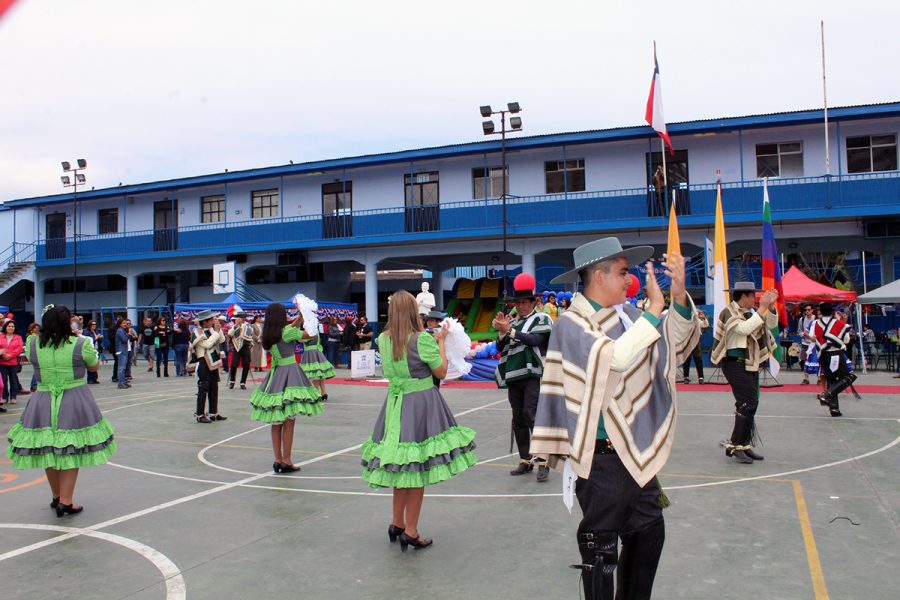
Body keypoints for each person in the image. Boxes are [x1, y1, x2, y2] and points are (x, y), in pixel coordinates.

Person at [531, 237, 700, 600]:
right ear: (598, 276)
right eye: (623, 273)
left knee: (649, 532)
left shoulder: (628, 317)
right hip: (600, 459)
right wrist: (654, 309)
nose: (630, 280)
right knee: (600, 549)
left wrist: (679, 295)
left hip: (631, 455)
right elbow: (616, 358)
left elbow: (674, 343)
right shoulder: (571, 324)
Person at [361, 290, 477, 551]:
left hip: (394, 405)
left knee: (401, 465)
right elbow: (442, 371)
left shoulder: (383, 338)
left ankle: (396, 523)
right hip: (421, 404)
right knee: (417, 468)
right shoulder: (421, 340)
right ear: (414, 312)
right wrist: (441, 342)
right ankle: (411, 531)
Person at [5, 304, 116, 516]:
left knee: (49, 447)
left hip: (43, 399)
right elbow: (93, 366)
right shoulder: (80, 343)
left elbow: (32, 361)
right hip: (73, 398)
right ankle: (66, 501)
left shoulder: (33, 343)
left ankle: (56, 497)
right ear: (68, 323)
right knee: (70, 449)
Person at [493, 273, 554, 482]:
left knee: (532, 414)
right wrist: (502, 331)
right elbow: (500, 347)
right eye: (517, 303)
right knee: (518, 418)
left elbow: (535, 339)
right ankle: (525, 459)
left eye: (524, 302)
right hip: (514, 374)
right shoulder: (514, 322)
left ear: (533, 302)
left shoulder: (541, 318)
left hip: (533, 373)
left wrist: (509, 330)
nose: (520, 306)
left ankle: (543, 460)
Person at [250, 302, 324, 472]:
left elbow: (290, 328)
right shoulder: (287, 332)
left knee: (276, 421)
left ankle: (277, 460)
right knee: (289, 420)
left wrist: (300, 315)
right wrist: (308, 316)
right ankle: (287, 460)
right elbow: (308, 334)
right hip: (290, 373)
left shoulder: (269, 333)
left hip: (276, 375)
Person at [711, 281, 779, 464]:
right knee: (748, 402)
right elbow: (743, 329)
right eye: (752, 296)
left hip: (749, 362)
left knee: (749, 403)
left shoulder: (751, 313)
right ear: (743, 296)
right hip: (734, 363)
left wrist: (770, 307)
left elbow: (771, 324)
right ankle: (735, 445)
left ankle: (744, 445)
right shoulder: (729, 312)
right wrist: (763, 308)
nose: (755, 300)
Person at [814, 303, 854, 417]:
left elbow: (816, 338)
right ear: (832, 312)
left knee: (831, 379)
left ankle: (834, 408)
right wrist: (841, 322)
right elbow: (846, 340)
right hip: (835, 353)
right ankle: (827, 395)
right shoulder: (837, 323)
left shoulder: (816, 323)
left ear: (821, 311)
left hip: (823, 354)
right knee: (847, 377)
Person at [190, 310, 227, 423]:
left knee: (214, 388)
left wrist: (218, 330)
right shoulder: (197, 333)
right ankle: (200, 415)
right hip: (203, 362)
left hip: (213, 363)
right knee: (203, 389)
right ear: (204, 322)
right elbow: (207, 344)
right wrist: (216, 332)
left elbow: (222, 340)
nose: (213, 321)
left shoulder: (212, 330)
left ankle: (213, 413)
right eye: (211, 320)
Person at [299, 321, 335, 402]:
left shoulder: (307, 332)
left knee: (314, 374)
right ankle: (324, 393)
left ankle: (316, 393)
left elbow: (300, 340)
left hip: (309, 354)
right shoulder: (316, 331)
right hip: (317, 352)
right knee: (319, 374)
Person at [682, 309, 710, 383]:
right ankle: (686, 378)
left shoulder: (698, 320)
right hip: (687, 342)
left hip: (696, 341)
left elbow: (705, 325)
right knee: (686, 360)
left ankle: (701, 378)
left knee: (698, 359)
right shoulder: (684, 320)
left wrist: (703, 318)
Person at [0, 319, 23, 407]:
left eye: (12, 326)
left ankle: (13, 396)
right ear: (6, 327)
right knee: (3, 381)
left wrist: (11, 355)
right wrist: (4, 354)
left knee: (13, 380)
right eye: (9, 326)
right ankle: (5, 396)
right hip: (2, 362)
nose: (11, 328)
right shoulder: (1, 337)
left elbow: (19, 349)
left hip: (13, 363)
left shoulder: (18, 337)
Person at [228, 311, 253, 389]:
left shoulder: (248, 325)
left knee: (246, 364)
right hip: (237, 347)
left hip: (245, 346)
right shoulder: (234, 326)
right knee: (234, 364)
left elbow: (250, 334)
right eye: (239, 317)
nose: (241, 318)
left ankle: (243, 382)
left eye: (242, 317)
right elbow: (230, 334)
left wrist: (243, 334)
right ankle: (232, 381)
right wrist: (236, 326)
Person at [798, 304, 817, 384]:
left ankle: (819, 378)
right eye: (806, 310)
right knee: (805, 360)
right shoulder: (801, 320)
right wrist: (804, 335)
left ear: (812, 310)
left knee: (817, 360)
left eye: (809, 310)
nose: (807, 311)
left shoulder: (816, 319)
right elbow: (799, 331)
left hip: (814, 343)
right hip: (805, 342)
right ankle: (806, 378)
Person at [114, 319, 133, 389]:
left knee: (124, 367)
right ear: (120, 324)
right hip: (121, 351)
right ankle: (120, 383)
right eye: (124, 323)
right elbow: (124, 340)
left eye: (126, 323)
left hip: (124, 350)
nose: (125, 324)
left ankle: (123, 381)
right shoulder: (120, 331)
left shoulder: (123, 330)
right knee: (121, 368)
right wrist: (129, 334)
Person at [24, 322, 40, 393]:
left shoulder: (39, 337)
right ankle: (34, 385)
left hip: (39, 356)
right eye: (36, 328)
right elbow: (28, 348)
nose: (37, 329)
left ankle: (34, 385)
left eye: (38, 328)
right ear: (32, 329)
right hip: (34, 356)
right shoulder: (30, 337)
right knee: (36, 371)